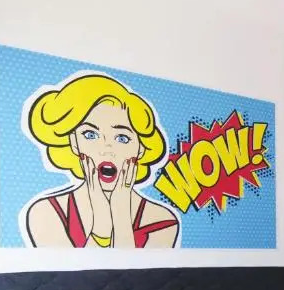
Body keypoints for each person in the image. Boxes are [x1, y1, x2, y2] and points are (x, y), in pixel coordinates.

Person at [24, 74, 179, 248]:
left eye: (122, 138)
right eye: (90, 135)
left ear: (141, 149)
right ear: (74, 142)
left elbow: (130, 265)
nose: (106, 149)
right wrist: (101, 224)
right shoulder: (45, 212)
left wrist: (120, 213)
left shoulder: (163, 220)